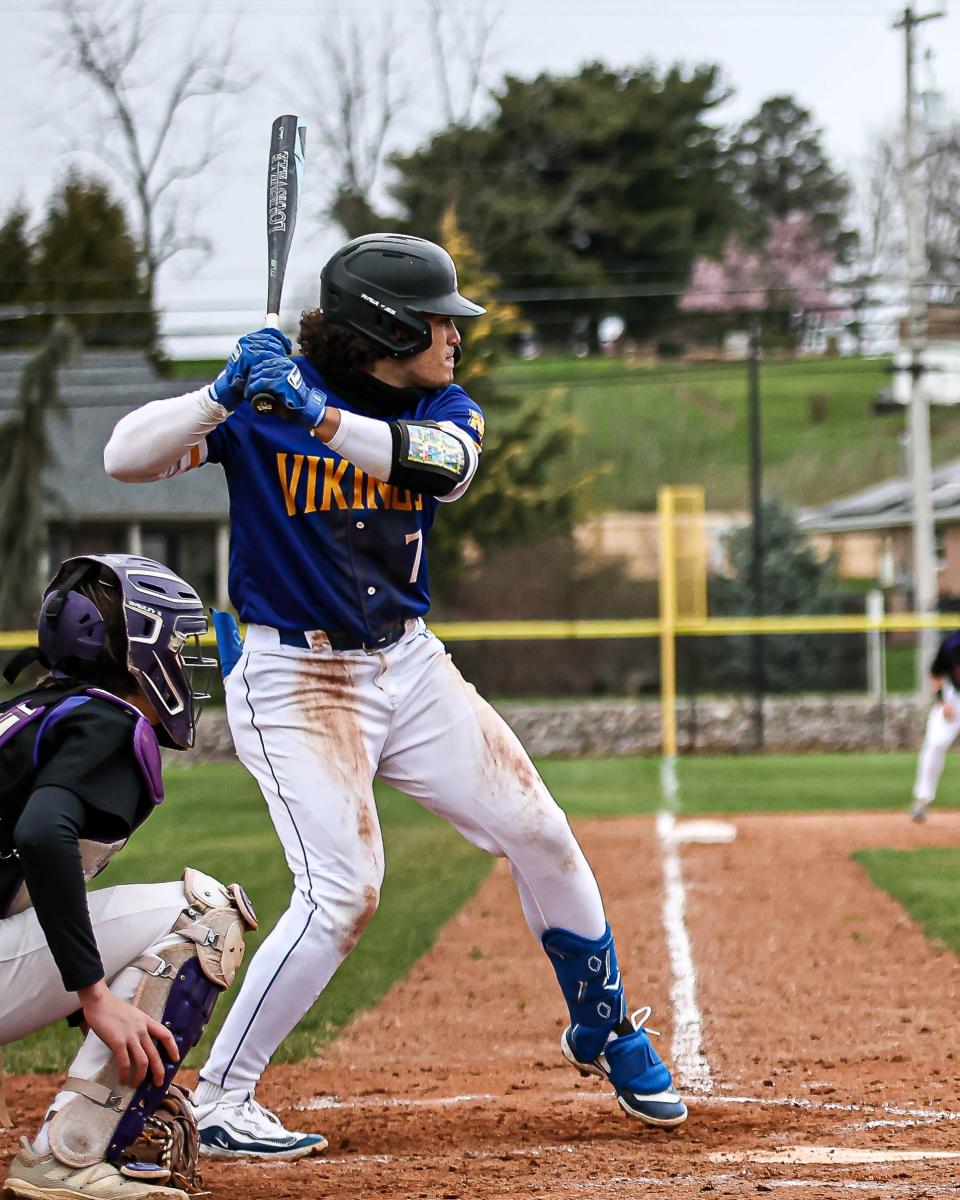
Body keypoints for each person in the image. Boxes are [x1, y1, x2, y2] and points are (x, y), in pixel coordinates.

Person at [103, 233, 687, 1159]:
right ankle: (220, 1098)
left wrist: (317, 417)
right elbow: (123, 460)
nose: (456, 336)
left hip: (407, 667)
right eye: (440, 321)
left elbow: (437, 466)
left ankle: (604, 1025)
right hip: (295, 678)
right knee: (343, 892)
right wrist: (219, 395)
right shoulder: (259, 405)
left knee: (539, 829)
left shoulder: (440, 407)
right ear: (386, 325)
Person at [0, 554, 257, 1200]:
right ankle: (68, 1155)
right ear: (135, 651)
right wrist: (94, 995)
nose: (183, 656)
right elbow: (40, 834)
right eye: (176, 639)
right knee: (205, 916)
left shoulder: (29, 713)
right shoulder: (110, 720)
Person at [911, 629, 960, 822]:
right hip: (953, 698)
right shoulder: (950, 645)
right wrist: (943, 702)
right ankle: (922, 800)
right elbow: (935, 674)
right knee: (934, 745)